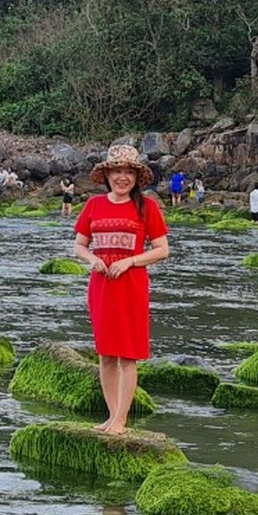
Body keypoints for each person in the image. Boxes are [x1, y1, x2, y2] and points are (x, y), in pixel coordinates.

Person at [73, 146, 171, 435]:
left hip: (131, 286)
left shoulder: (147, 207)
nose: (122, 177)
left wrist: (130, 261)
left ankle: (121, 419)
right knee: (105, 354)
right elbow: (79, 245)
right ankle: (110, 415)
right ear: (107, 175)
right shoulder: (93, 205)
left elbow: (163, 250)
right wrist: (93, 259)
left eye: (128, 172)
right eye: (117, 171)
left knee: (127, 354)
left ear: (137, 177)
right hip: (101, 286)